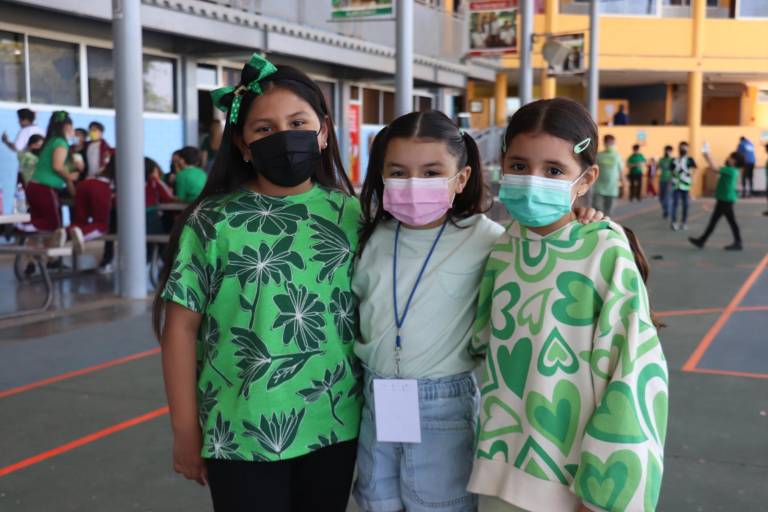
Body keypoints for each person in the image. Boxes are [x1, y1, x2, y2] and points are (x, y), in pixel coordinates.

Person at [154, 54, 361, 512]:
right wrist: (185, 429)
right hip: (240, 430)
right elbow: (181, 329)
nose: (284, 137)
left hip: (336, 422)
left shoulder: (354, 215)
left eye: (298, 122)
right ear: (243, 145)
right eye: (264, 129)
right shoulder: (212, 221)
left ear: (324, 132)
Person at [469, 98, 667, 512]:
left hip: (573, 484)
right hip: (501, 470)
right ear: (502, 164)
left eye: (554, 170)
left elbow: (632, 373)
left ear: (586, 178)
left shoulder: (604, 250)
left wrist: (605, 491)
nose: (532, 180)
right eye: (519, 166)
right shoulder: (505, 246)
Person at [352, 111, 502, 512]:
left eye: (432, 171)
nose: (413, 184)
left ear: (462, 178)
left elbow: (550, 243)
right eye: (398, 172)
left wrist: (588, 221)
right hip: (376, 397)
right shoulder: (369, 235)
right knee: (375, 504)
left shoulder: (488, 239)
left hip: (444, 404)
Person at [25, 111, 80, 232]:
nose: (73, 131)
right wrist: (69, 177)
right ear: (66, 127)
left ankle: (25, 232)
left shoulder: (50, 141)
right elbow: (57, 166)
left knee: (39, 223)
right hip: (45, 188)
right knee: (52, 224)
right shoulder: (61, 143)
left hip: (34, 186)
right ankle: (19, 226)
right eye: (72, 127)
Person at [59, 156, 115, 254]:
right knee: (101, 225)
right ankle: (81, 235)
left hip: (84, 184)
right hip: (101, 187)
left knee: (79, 221)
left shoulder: (105, 167)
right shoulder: (126, 168)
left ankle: (64, 232)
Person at [689, 151, 744, 251]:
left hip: (726, 200)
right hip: (724, 199)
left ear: (734, 161)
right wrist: (707, 156)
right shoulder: (731, 170)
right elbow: (715, 167)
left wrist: (707, 154)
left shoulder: (730, 170)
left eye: (730, 157)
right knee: (718, 221)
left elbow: (715, 168)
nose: (728, 157)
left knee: (728, 222)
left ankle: (738, 242)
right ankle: (702, 240)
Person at [592, 134, 622, 216]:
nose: (610, 145)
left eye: (612, 143)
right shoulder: (599, 155)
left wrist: (624, 182)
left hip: (612, 187)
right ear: (604, 143)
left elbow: (621, 170)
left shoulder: (617, 155)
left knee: (609, 210)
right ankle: (598, 224)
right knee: (597, 207)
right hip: (599, 187)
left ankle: (606, 224)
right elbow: (593, 169)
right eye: (608, 142)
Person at [670, 141, 697, 231]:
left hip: (686, 186)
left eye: (685, 147)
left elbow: (694, 170)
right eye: (682, 147)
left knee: (685, 205)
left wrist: (692, 179)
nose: (683, 149)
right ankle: (674, 222)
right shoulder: (674, 160)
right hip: (676, 185)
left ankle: (684, 222)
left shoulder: (690, 160)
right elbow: (671, 171)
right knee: (675, 204)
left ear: (688, 149)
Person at [658, 145, 674, 219]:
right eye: (667, 150)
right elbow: (658, 167)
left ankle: (667, 212)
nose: (668, 152)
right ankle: (665, 210)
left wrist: (671, 180)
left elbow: (674, 171)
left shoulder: (672, 160)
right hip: (662, 180)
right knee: (661, 198)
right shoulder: (662, 160)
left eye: (669, 151)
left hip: (669, 180)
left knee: (667, 197)